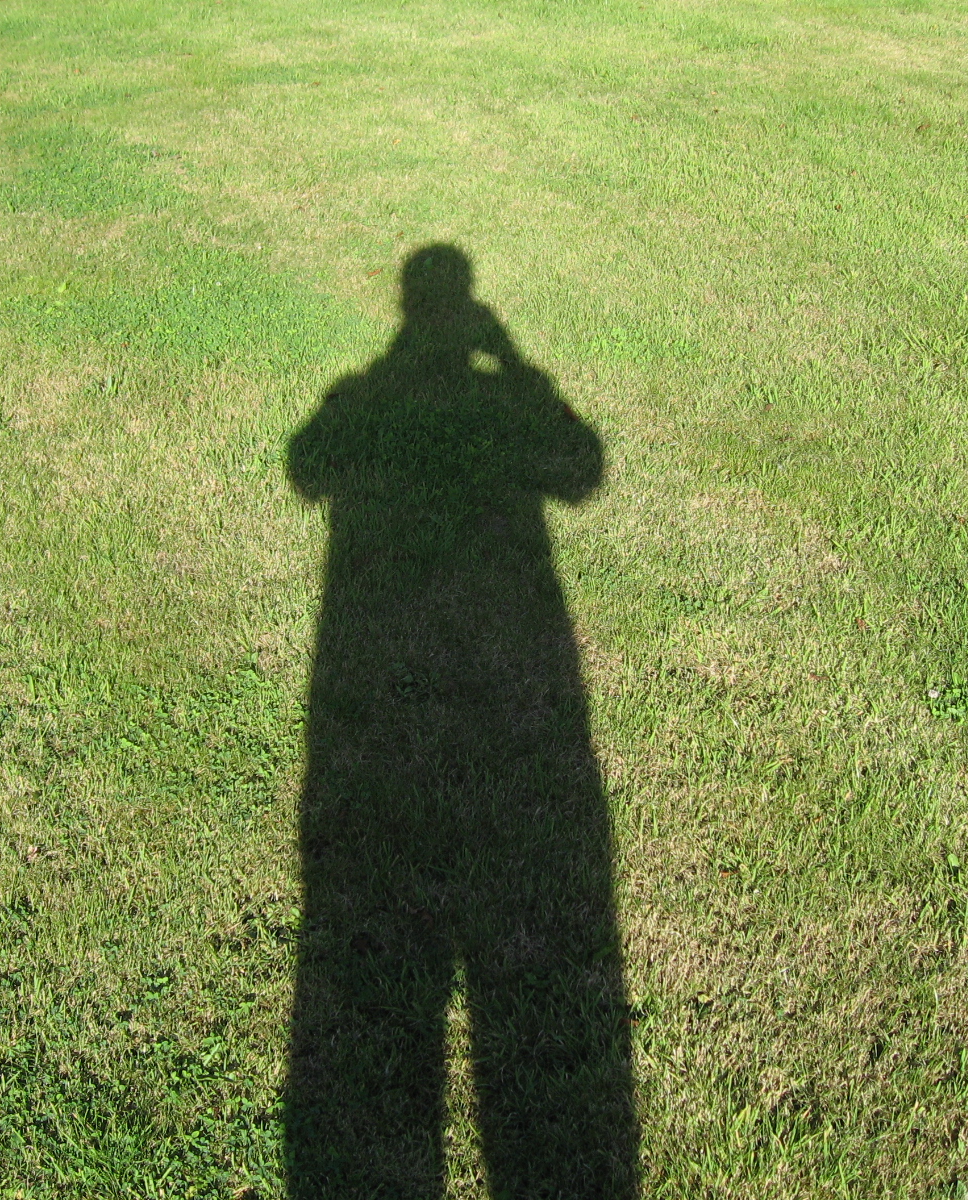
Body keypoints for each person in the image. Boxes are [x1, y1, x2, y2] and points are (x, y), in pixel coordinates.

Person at [284, 244, 638, 1198]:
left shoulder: (360, 395)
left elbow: (307, 468)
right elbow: (580, 466)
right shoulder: (448, 395)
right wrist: (518, 366)